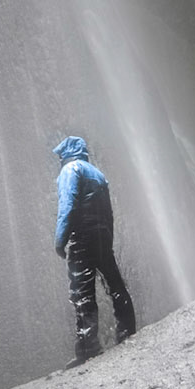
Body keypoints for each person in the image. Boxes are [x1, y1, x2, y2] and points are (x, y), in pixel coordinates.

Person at [52, 134, 136, 365]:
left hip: (82, 237)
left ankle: (88, 347)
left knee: (82, 292)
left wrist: (61, 240)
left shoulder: (71, 170)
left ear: (66, 154)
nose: (59, 161)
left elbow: (67, 206)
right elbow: (108, 211)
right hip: (102, 235)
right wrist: (107, 236)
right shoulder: (97, 173)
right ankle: (127, 330)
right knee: (114, 283)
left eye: (60, 156)